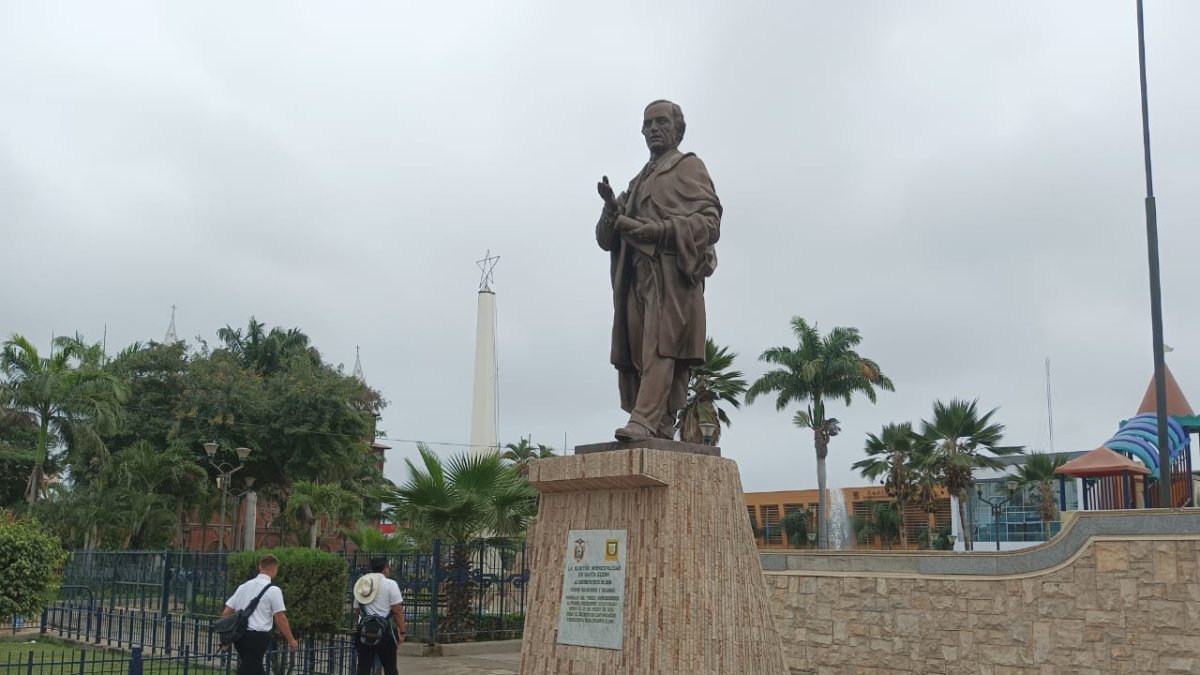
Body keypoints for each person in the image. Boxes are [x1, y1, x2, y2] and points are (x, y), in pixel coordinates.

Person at [596, 99, 722, 442]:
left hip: (670, 274)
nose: (653, 128)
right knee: (638, 351)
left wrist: (664, 230)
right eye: (648, 123)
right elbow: (606, 240)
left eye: (661, 122)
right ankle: (662, 422)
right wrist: (610, 210)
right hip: (634, 276)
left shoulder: (689, 167)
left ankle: (644, 419)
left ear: (677, 130)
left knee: (660, 346)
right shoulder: (636, 182)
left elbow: (710, 223)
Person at [221, 554, 299, 675]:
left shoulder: (243, 587)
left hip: (240, 637)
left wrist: (225, 639)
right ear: (274, 569)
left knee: (255, 668)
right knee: (248, 669)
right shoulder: (274, 590)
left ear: (260, 567)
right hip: (257, 637)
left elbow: (226, 613)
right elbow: (280, 618)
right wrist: (291, 640)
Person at [352, 558, 406, 675]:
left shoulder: (363, 584)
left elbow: (357, 610)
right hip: (385, 634)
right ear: (385, 569)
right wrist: (402, 631)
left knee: (363, 668)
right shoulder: (391, 584)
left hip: (365, 633)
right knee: (390, 668)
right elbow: (397, 610)